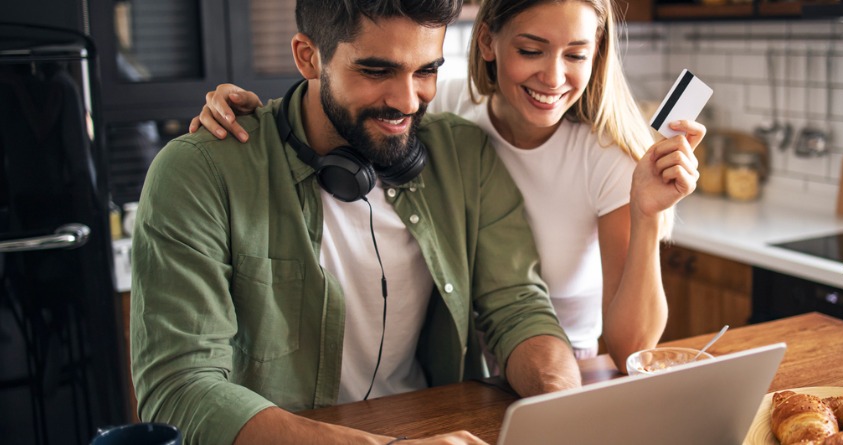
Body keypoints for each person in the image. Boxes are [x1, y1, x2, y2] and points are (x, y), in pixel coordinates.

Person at [131, 1, 582, 444]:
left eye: (426, 70)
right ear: (309, 57)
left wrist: (567, 410)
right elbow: (179, 389)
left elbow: (518, 309)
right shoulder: (200, 172)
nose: (407, 101)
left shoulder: (464, 155)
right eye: (376, 71)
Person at [191, 0, 704, 373]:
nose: (553, 77)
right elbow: (348, 103)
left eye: (575, 54)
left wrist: (646, 214)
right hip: (471, 369)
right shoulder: (447, 111)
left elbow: (629, 344)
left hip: (560, 363)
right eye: (531, 49)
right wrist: (259, 122)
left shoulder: (605, 157)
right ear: (488, 43)